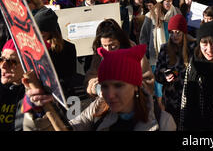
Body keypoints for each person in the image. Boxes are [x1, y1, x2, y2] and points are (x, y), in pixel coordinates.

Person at [23, 44, 177, 131]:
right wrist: (43, 107)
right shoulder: (98, 108)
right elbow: (67, 129)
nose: (110, 94)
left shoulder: (163, 122)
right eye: (104, 86)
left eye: (118, 85)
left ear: (136, 86)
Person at [84, 19, 155, 98]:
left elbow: (148, 79)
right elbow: (91, 76)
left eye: (113, 45)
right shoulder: (99, 54)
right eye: (105, 46)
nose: (108, 50)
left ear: (120, 41)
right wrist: (95, 87)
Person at [154, 14, 194, 127]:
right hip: (171, 99)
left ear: (184, 32)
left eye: (178, 32)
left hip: (189, 97)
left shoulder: (192, 48)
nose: (174, 36)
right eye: (171, 32)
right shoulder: (164, 48)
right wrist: (164, 76)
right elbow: (157, 73)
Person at [148, 0, 181, 110]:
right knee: (159, 83)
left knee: (173, 78)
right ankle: (160, 106)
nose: (169, 3)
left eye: (171, 0)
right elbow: (144, 36)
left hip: (173, 51)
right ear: (161, 1)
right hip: (157, 54)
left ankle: (172, 105)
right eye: (167, 1)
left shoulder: (176, 12)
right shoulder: (151, 15)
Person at [34, 8, 78, 96]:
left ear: (50, 31)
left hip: (60, 94)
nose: (37, 34)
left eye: (41, 31)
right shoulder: (34, 46)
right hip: (39, 92)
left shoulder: (68, 48)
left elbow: (70, 76)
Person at [0, 40, 26, 131]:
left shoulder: (37, 94)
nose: (3, 66)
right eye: (1, 59)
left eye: (11, 62)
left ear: (26, 65)